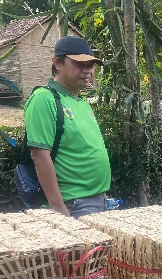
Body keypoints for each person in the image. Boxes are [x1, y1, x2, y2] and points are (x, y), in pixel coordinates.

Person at [23, 36, 109, 218]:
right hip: (72, 204)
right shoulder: (44, 99)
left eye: (90, 65)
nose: (87, 71)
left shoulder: (82, 103)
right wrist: (58, 207)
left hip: (96, 200)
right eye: (79, 64)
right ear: (57, 63)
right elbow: (39, 155)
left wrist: (100, 194)